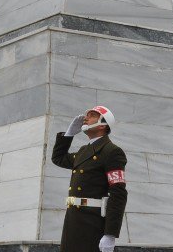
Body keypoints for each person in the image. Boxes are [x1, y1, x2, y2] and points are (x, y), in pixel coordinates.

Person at [51, 105, 128, 252]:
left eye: (92, 115)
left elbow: (118, 194)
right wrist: (68, 135)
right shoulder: (83, 151)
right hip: (73, 220)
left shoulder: (112, 152)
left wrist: (110, 234)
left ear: (103, 124)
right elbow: (58, 158)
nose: (86, 118)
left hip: (92, 223)